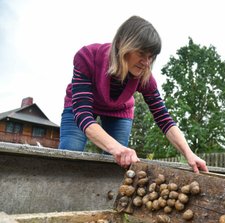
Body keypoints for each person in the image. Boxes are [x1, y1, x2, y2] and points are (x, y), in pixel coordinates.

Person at [59, 15, 208, 173]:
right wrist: (116, 147)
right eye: (142, 53)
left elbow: (164, 118)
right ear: (123, 45)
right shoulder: (87, 56)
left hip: (118, 111)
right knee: (70, 153)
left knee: (115, 166)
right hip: (82, 108)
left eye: (150, 56)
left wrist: (189, 154)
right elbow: (83, 115)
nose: (146, 62)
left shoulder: (145, 77)